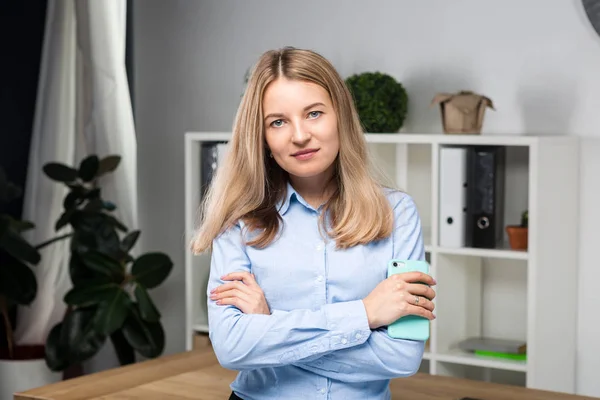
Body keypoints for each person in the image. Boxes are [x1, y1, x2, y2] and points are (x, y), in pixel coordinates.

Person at [191, 46, 437, 400]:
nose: (300, 135)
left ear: (341, 117)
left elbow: (402, 357)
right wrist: (364, 315)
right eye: (278, 122)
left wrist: (268, 326)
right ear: (261, 138)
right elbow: (232, 350)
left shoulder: (398, 214)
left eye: (314, 113)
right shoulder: (237, 220)